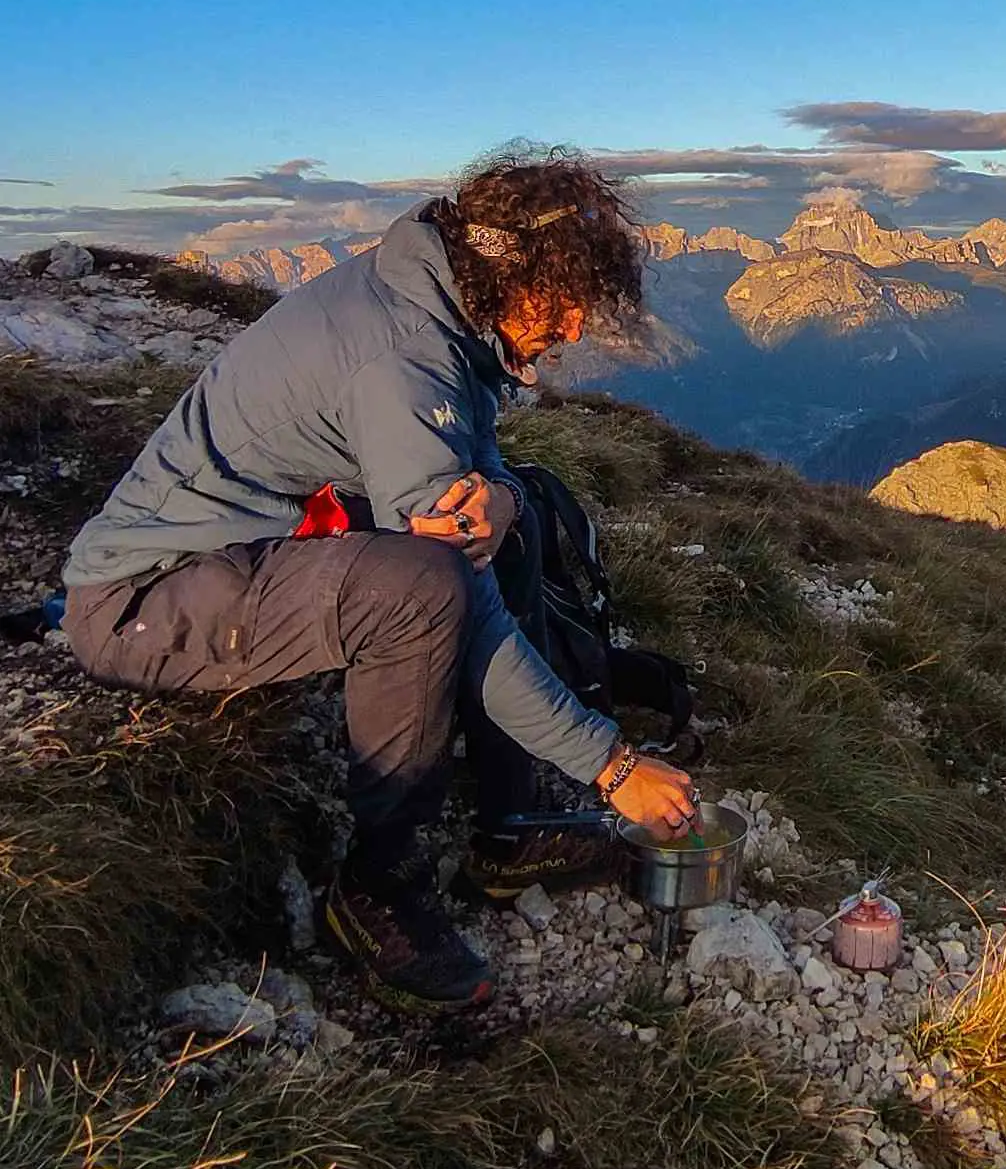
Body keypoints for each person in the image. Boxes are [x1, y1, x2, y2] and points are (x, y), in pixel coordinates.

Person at [60, 147, 698, 1011]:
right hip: (147, 602)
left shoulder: (435, 300)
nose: (577, 325)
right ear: (506, 272)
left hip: (241, 552)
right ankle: (377, 886)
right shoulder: (403, 353)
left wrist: (506, 500)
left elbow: (477, 480)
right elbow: (462, 608)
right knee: (422, 592)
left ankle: (510, 831)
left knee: (499, 529)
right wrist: (612, 768)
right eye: (563, 296)